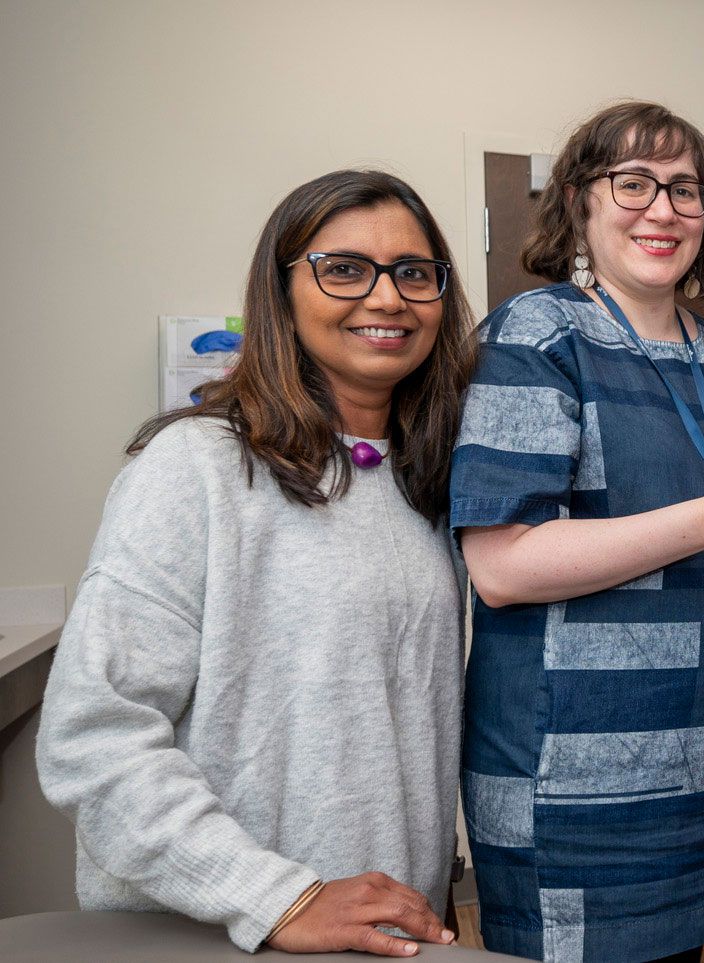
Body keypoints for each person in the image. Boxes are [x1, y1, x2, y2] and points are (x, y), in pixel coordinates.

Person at [36, 170, 476, 956]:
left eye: (415, 273)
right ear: (281, 291)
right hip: (215, 931)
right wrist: (278, 896)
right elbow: (92, 737)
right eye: (344, 268)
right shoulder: (195, 467)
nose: (387, 298)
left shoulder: (425, 485)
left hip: (380, 927)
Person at [451, 101, 704, 963]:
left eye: (685, 189)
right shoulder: (536, 335)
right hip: (575, 787)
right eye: (634, 183)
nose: (663, 209)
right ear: (580, 200)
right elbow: (501, 564)